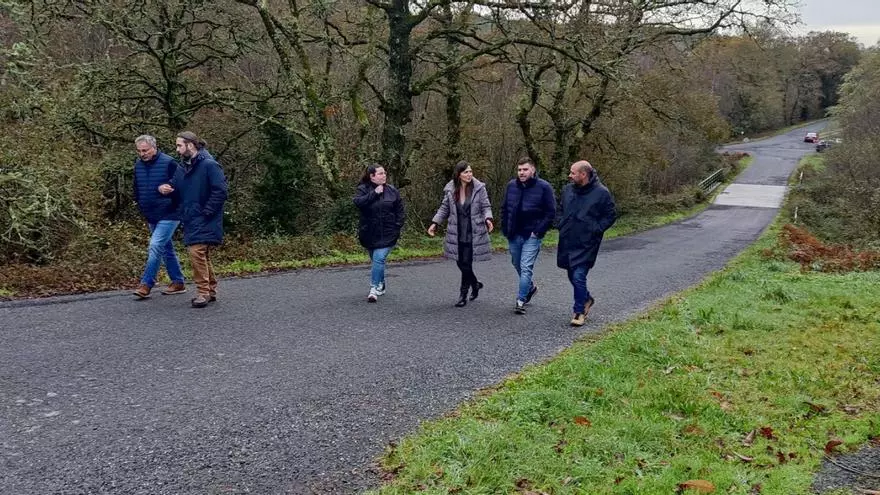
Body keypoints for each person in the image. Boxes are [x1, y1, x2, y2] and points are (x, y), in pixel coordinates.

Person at [158, 131, 228, 308]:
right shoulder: (182, 167)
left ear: (190, 145)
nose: (177, 149)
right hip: (190, 217)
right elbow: (175, 185)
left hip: (205, 217)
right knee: (201, 254)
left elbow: (220, 191)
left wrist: (207, 211)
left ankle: (203, 292)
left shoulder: (209, 165)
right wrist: (166, 188)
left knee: (196, 252)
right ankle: (210, 290)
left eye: (179, 145)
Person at [557, 160, 616, 326]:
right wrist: (560, 223)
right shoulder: (567, 190)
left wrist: (595, 229)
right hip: (568, 238)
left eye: (573, 173)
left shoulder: (601, 193)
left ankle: (579, 312)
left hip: (587, 243)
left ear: (583, 174)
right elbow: (559, 209)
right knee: (571, 273)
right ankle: (587, 298)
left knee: (578, 275)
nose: (569, 175)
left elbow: (610, 215)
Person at [427, 161, 495, 307]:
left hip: (473, 232)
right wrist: (435, 223)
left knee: (466, 262)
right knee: (460, 262)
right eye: (466, 172)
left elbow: (486, 206)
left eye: (470, 171)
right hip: (457, 232)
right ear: (459, 175)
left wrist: (488, 219)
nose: (469, 174)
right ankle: (475, 284)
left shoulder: (479, 188)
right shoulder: (451, 190)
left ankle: (463, 294)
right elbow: (444, 208)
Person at [131, 135, 186, 299]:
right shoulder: (138, 165)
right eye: (139, 151)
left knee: (155, 245)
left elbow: (183, 185)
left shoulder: (169, 163)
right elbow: (136, 188)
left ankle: (146, 283)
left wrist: (168, 189)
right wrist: (139, 203)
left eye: (145, 150)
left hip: (170, 212)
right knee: (166, 248)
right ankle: (178, 281)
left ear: (154, 148)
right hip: (151, 213)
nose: (142, 154)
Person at [500, 156, 556, 315]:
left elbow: (551, 212)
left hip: (532, 235)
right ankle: (530, 288)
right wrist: (505, 228)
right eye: (519, 170)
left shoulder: (544, 187)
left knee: (526, 267)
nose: (522, 172)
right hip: (514, 233)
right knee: (516, 263)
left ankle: (520, 300)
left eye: (525, 169)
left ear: (533, 170)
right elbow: (504, 208)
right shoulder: (511, 186)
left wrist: (538, 231)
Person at [353, 164, 405, 303]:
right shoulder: (363, 189)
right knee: (376, 260)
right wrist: (374, 193)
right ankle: (381, 284)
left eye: (384, 173)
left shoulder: (392, 191)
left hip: (388, 233)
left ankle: (374, 288)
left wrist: (397, 226)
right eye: (380, 173)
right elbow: (358, 203)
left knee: (379, 258)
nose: (384, 175)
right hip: (369, 233)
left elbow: (400, 211)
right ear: (372, 176)